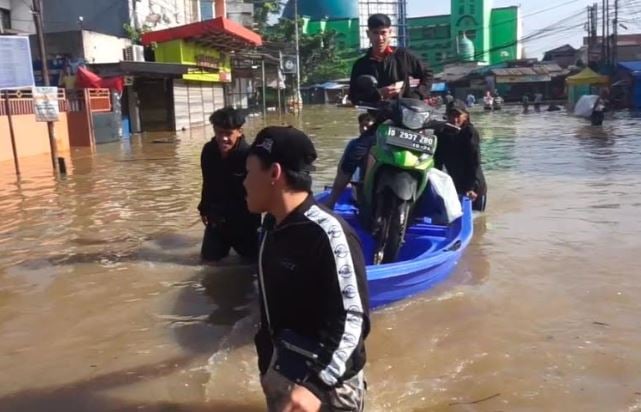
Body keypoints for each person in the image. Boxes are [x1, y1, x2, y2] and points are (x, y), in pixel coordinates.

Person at [244, 126, 370, 412]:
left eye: (250, 173)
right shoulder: (270, 226)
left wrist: (315, 385)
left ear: (274, 174)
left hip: (326, 384)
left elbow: (352, 319)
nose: (244, 183)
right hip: (282, 365)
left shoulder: (329, 234)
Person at [326, 13, 433, 209]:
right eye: (375, 33)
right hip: (380, 124)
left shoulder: (404, 56)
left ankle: (437, 202)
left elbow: (428, 74)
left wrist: (416, 94)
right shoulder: (361, 65)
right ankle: (332, 200)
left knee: (430, 152)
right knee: (353, 152)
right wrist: (379, 94)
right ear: (368, 34)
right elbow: (354, 96)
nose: (380, 38)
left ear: (390, 33)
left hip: (409, 123)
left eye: (383, 33)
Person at [197, 107, 261, 262]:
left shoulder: (250, 156)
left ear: (239, 131)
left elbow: (260, 193)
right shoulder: (209, 151)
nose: (223, 138)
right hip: (217, 220)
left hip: (245, 223)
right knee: (208, 263)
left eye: (228, 133)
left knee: (250, 267)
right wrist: (203, 207)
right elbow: (207, 182)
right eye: (219, 132)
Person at [434, 100, 487, 211]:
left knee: (478, 220)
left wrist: (470, 187)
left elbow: (475, 161)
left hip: (474, 186)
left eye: (458, 115)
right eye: (451, 115)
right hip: (455, 185)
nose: (454, 119)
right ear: (446, 116)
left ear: (465, 116)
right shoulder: (441, 133)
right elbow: (437, 161)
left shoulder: (470, 132)